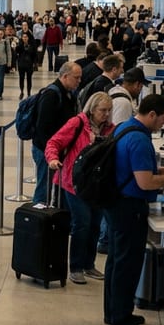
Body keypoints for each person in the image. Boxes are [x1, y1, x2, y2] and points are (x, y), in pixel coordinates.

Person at [105, 95, 164, 325]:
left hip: (115, 203)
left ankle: (114, 312)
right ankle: (121, 320)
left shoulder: (124, 128)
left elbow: (135, 170)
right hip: (129, 208)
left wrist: (162, 170)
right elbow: (145, 182)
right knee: (127, 265)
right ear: (152, 114)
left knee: (116, 261)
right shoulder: (140, 139)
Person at [46, 92, 115, 285]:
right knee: (82, 223)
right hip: (74, 182)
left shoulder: (111, 129)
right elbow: (54, 142)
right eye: (102, 110)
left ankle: (88, 264)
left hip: (97, 185)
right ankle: (76, 266)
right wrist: (53, 158)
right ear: (92, 109)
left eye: (109, 110)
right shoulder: (77, 123)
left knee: (95, 224)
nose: (106, 114)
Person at [31, 62, 82, 205]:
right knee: (44, 188)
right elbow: (42, 127)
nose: (79, 81)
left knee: (54, 186)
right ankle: (38, 214)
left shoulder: (68, 93)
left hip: (57, 149)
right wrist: (51, 151)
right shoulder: (51, 95)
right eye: (76, 77)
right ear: (65, 76)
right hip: (45, 150)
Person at [14, 32, 36, 99]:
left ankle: (29, 93)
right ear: (22, 38)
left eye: (26, 37)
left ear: (28, 38)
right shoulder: (20, 45)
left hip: (29, 64)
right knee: (21, 78)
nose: (25, 38)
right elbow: (16, 51)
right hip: (21, 64)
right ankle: (21, 92)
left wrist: (34, 63)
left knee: (29, 79)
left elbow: (34, 55)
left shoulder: (32, 45)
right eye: (23, 37)